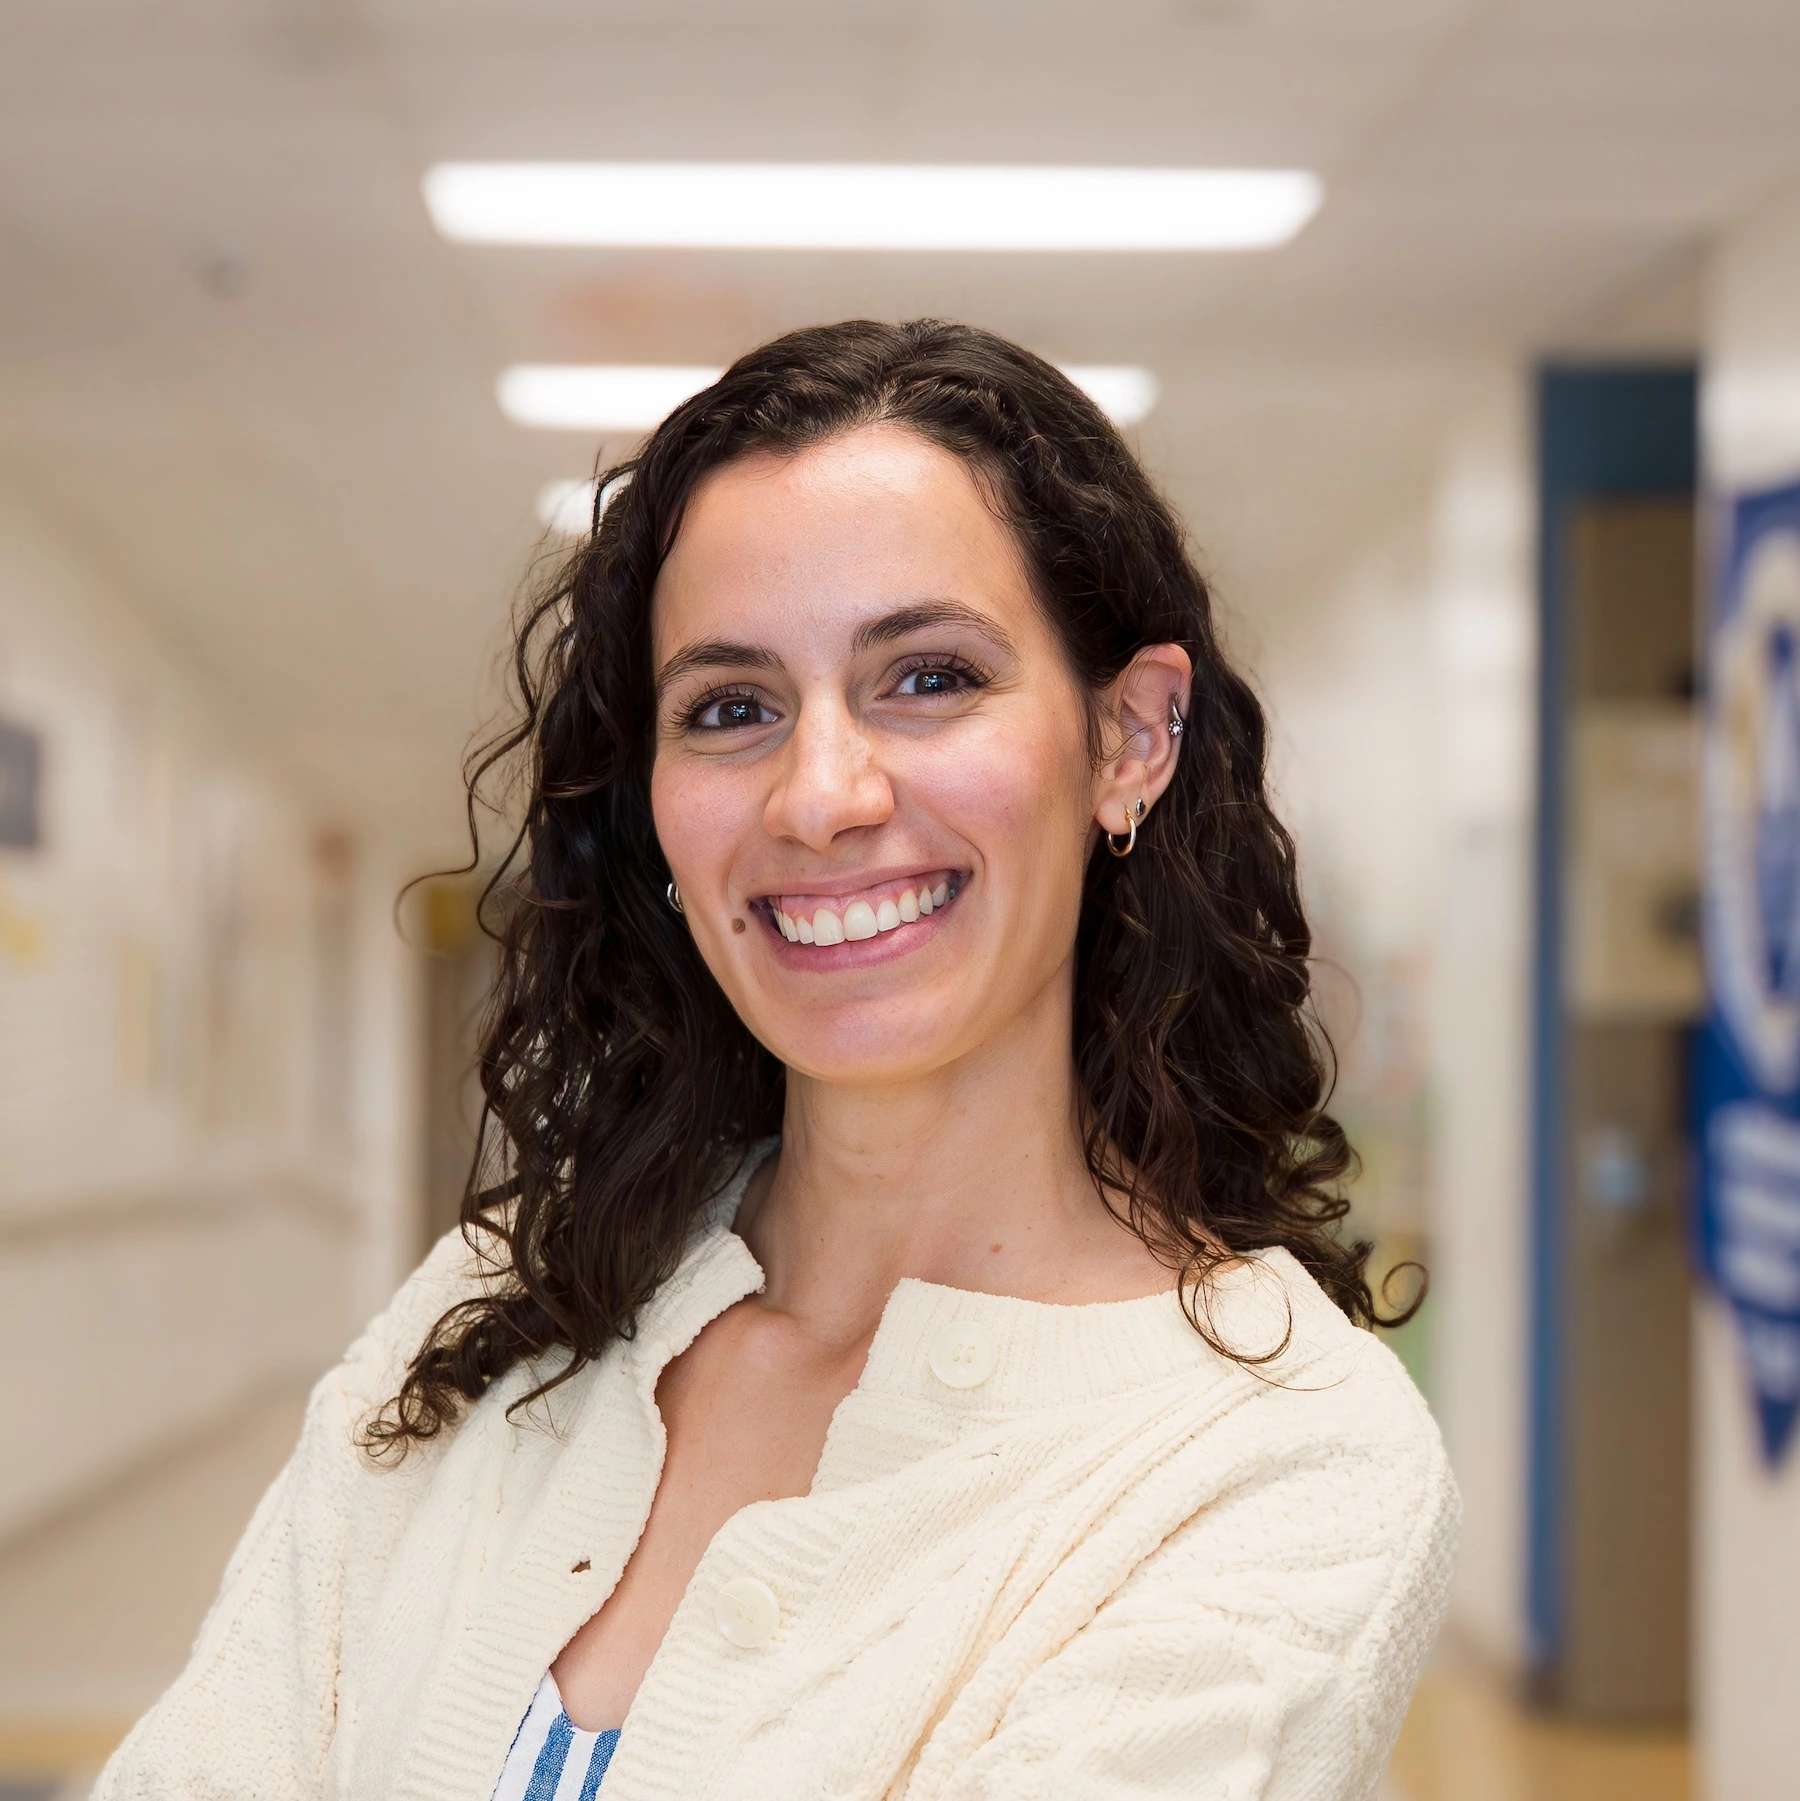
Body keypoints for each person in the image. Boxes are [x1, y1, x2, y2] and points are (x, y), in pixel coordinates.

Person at [96, 319, 1456, 1801]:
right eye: (732, 709)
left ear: (1130, 738)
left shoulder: (1273, 1457)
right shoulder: (497, 1310)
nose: (820, 797)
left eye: (928, 677)